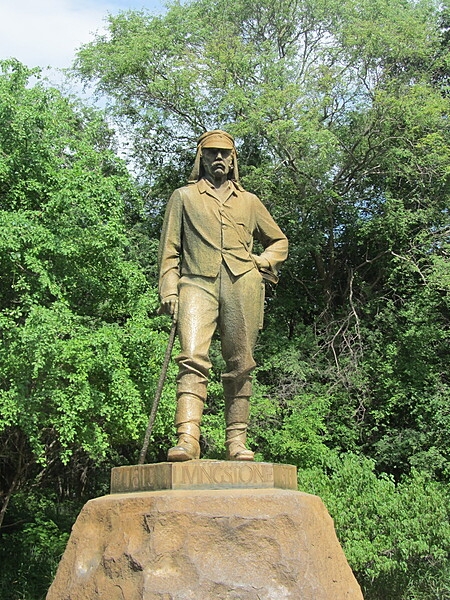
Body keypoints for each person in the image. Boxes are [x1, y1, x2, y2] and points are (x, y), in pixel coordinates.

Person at [158, 130, 288, 461]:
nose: (218, 158)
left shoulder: (250, 202)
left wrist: (262, 261)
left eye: (224, 153)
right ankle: (188, 438)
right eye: (212, 152)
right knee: (191, 358)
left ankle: (237, 442)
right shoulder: (183, 197)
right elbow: (170, 250)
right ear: (201, 157)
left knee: (241, 364)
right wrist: (169, 288)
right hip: (196, 283)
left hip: (242, 283)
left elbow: (279, 242)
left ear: (233, 160)